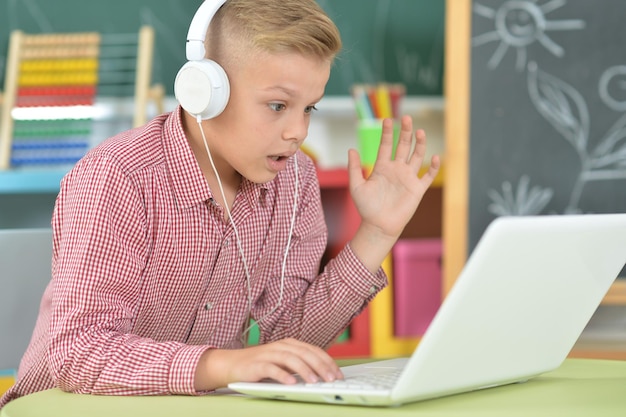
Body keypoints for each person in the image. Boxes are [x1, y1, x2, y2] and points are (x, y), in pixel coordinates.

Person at [0, 0, 439, 408]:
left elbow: (289, 343)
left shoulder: (296, 181)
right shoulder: (119, 179)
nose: (297, 132)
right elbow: (78, 352)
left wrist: (376, 232)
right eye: (277, 105)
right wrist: (222, 365)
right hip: (68, 407)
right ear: (205, 92)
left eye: (310, 109)